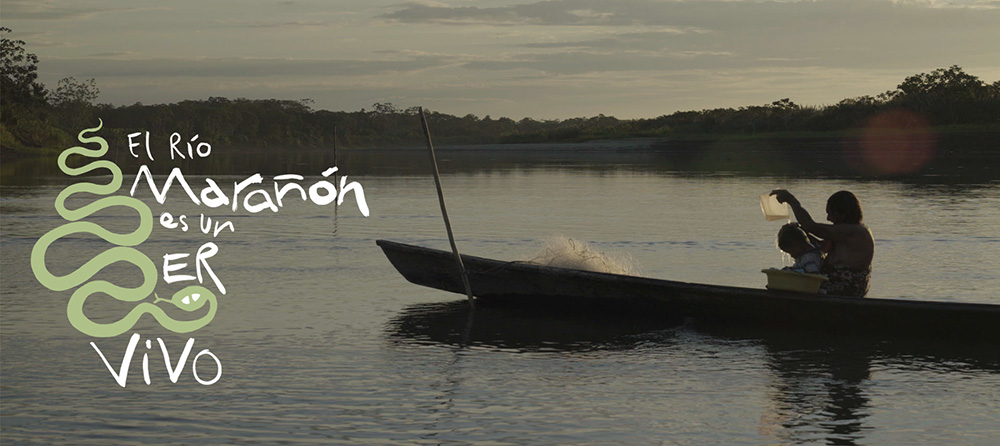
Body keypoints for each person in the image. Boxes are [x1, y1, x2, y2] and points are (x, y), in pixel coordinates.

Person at [770, 190, 874, 297]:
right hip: (830, 283)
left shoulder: (855, 231)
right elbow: (821, 247)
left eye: (830, 214)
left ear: (842, 213)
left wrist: (792, 200)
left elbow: (811, 226)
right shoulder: (841, 233)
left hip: (845, 289)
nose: (828, 218)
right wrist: (802, 234)